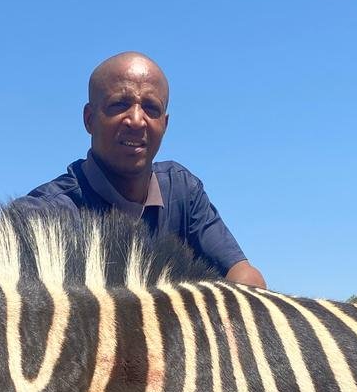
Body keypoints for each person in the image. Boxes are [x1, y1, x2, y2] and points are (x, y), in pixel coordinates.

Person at [19, 52, 267, 288]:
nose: (137, 120)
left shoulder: (183, 192)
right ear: (89, 119)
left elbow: (244, 275)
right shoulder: (43, 216)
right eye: (119, 104)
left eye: (151, 108)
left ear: (165, 124)